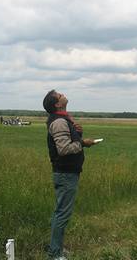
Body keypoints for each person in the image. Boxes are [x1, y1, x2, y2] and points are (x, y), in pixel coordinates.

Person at [43, 90, 97, 260]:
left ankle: (55, 247)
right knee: (62, 214)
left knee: (60, 212)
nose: (63, 94)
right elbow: (64, 149)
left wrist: (77, 133)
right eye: (59, 95)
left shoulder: (63, 119)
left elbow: (67, 142)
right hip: (66, 174)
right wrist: (83, 143)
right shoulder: (59, 122)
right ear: (57, 104)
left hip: (67, 173)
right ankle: (55, 254)